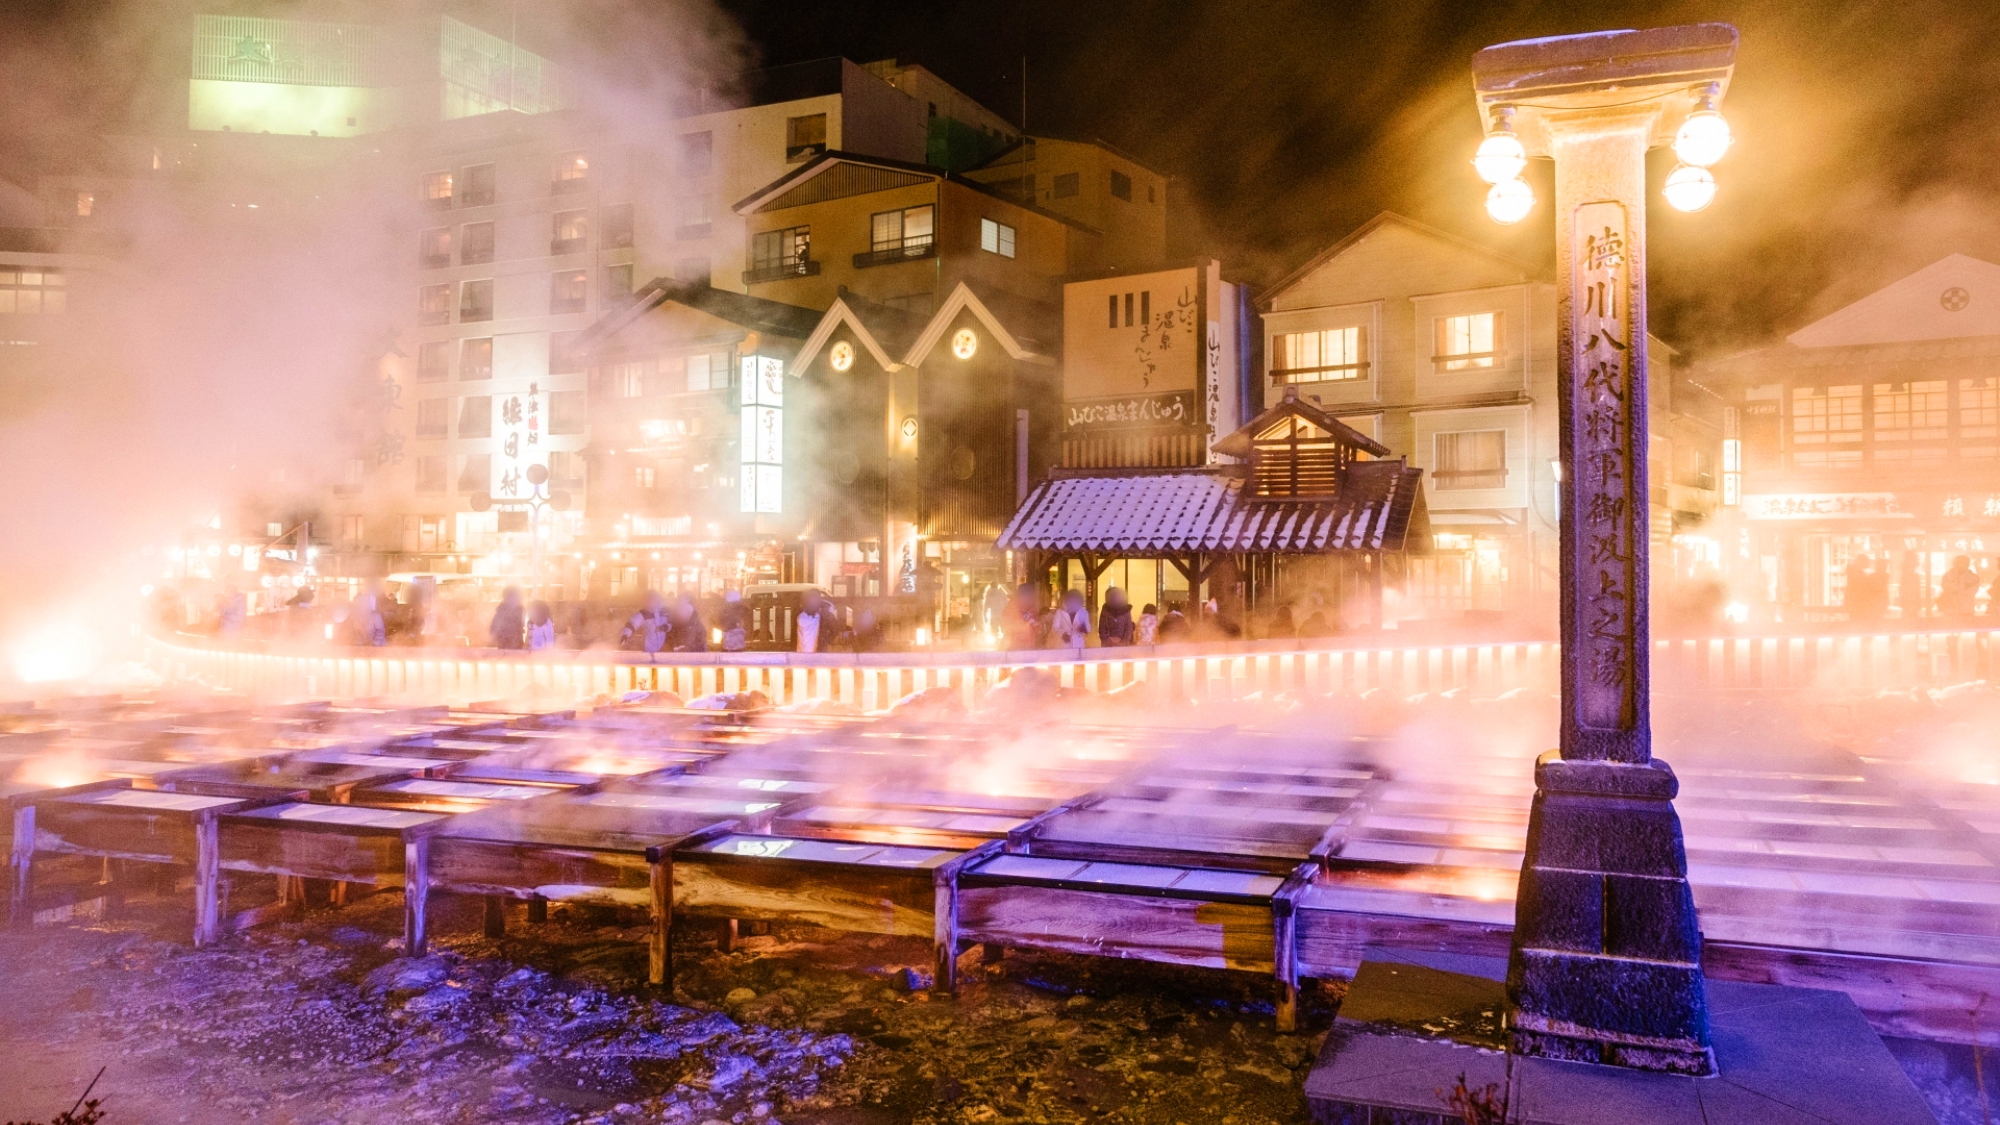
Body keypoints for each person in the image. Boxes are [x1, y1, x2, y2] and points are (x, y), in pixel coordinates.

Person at [1938, 555, 1982, 621]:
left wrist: (1955, 588)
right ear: (1955, 563)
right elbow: (1946, 587)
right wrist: (1963, 587)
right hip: (1949, 610)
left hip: (1966, 610)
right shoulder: (1948, 575)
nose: (1963, 564)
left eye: (1966, 562)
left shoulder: (1973, 577)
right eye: (1960, 562)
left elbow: (1972, 591)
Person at [1004, 583, 1044, 650]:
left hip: (1030, 649)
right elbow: (1005, 627)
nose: (1030, 599)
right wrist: (1026, 625)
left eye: (1031, 596)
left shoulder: (1032, 610)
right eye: (1027, 596)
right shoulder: (1010, 609)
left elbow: (1038, 631)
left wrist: (1037, 625)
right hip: (1014, 650)